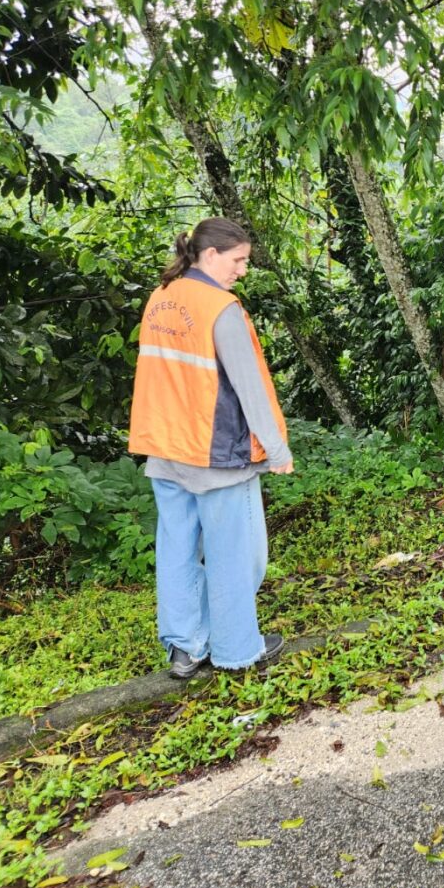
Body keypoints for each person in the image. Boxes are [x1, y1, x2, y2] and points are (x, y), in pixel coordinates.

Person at [128, 217, 293, 677]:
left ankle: (186, 649)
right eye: (238, 260)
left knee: (177, 551)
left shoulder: (161, 298)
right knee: (238, 555)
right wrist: (277, 451)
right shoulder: (221, 309)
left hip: (165, 450)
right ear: (211, 254)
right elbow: (250, 389)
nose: (242, 270)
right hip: (215, 455)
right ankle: (237, 649)